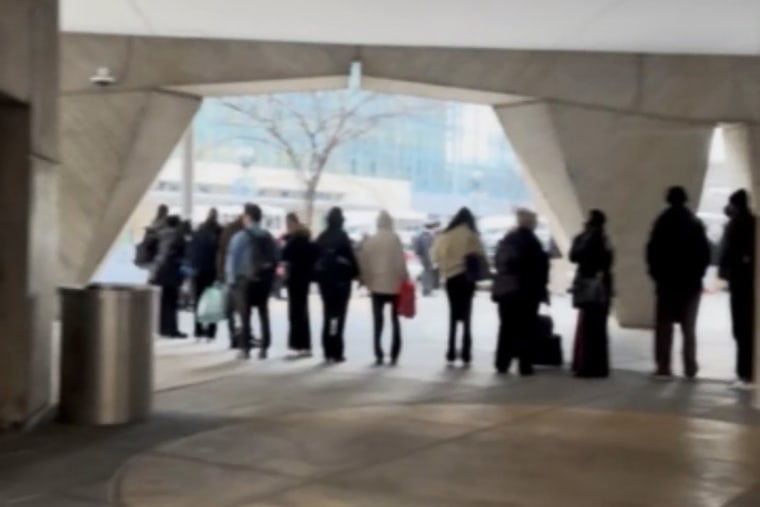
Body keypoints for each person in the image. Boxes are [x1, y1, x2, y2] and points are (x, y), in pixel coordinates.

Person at [646, 186, 711, 380]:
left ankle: (663, 366)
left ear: (668, 199)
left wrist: (656, 275)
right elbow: (705, 254)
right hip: (690, 285)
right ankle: (690, 366)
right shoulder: (695, 223)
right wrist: (697, 274)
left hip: (666, 285)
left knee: (664, 327)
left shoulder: (662, 222)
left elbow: (652, 252)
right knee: (688, 328)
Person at [491, 209, 549, 376]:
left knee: (506, 327)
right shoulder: (533, 242)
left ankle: (502, 363)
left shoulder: (508, 239)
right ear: (531, 223)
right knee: (526, 328)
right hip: (526, 292)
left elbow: (498, 262)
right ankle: (525, 364)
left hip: (506, 290)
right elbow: (538, 270)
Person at [226, 204, 280, 360]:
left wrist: (231, 280)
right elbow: (277, 256)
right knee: (263, 312)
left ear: (248, 217)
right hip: (264, 281)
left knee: (245, 315)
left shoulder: (240, 237)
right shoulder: (268, 236)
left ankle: (245, 349)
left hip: (245, 281)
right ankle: (264, 348)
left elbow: (233, 260)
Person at [433, 207, 486, 365]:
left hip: (451, 278)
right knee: (467, 314)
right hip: (466, 278)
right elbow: (480, 254)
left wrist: (445, 267)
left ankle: (450, 350)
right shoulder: (471, 234)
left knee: (453, 314)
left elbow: (436, 255)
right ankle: (466, 352)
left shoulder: (446, 235)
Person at [359, 211, 410, 366]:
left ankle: (378, 351)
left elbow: (364, 263)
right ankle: (395, 352)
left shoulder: (371, 241)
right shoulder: (395, 239)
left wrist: (367, 281)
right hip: (394, 286)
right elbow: (400, 262)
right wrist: (404, 277)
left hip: (376, 286)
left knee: (378, 321)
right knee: (395, 320)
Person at [569, 209, 614, 378]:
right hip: (603, 288)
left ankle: (587, 366)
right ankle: (600, 366)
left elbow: (574, 255)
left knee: (588, 328)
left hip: (590, 288)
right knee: (599, 328)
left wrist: (581, 236)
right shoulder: (605, 239)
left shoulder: (589, 239)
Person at [719, 189, 756, 388]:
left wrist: (724, 273)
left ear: (735, 205)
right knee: (748, 328)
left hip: (739, 284)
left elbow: (729, 253)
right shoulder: (753, 222)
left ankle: (744, 372)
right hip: (749, 283)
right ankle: (748, 371)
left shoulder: (736, 225)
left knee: (740, 329)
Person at [314, 207, 359, 363]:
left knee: (327, 314)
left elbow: (314, 260)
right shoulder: (343, 237)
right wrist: (355, 274)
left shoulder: (322, 237)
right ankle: (337, 350)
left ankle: (327, 349)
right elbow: (352, 261)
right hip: (341, 283)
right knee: (339, 317)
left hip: (325, 283)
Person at [281, 212, 318, 358]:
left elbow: (284, 255)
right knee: (303, 312)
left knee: (295, 312)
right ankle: (305, 345)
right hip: (305, 279)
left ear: (292, 223)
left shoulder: (293, 241)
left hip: (294, 279)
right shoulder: (307, 240)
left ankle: (296, 344)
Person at [150, 214, 187, 338]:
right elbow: (183, 255)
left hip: (159, 271)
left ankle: (162, 328)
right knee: (172, 301)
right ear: (177, 224)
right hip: (172, 272)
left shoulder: (159, 234)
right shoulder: (178, 236)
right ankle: (172, 329)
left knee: (164, 301)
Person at [188, 208, 222, 340]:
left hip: (199, 270)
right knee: (214, 301)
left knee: (198, 300)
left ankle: (198, 329)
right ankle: (211, 332)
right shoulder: (219, 231)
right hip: (213, 270)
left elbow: (192, 249)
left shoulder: (199, 230)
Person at [217, 214, 245, 349]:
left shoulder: (227, 230)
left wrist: (220, 272)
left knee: (230, 309)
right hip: (241, 275)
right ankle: (242, 336)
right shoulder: (243, 233)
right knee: (242, 309)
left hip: (227, 273)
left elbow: (220, 252)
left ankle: (233, 335)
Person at [413, 222, 437, 296]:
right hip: (428, 257)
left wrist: (419, 255)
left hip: (422, 257)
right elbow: (431, 248)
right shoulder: (429, 237)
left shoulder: (420, 236)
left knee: (425, 272)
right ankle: (427, 290)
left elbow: (417, 248)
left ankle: (425, 289)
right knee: (428, 273)